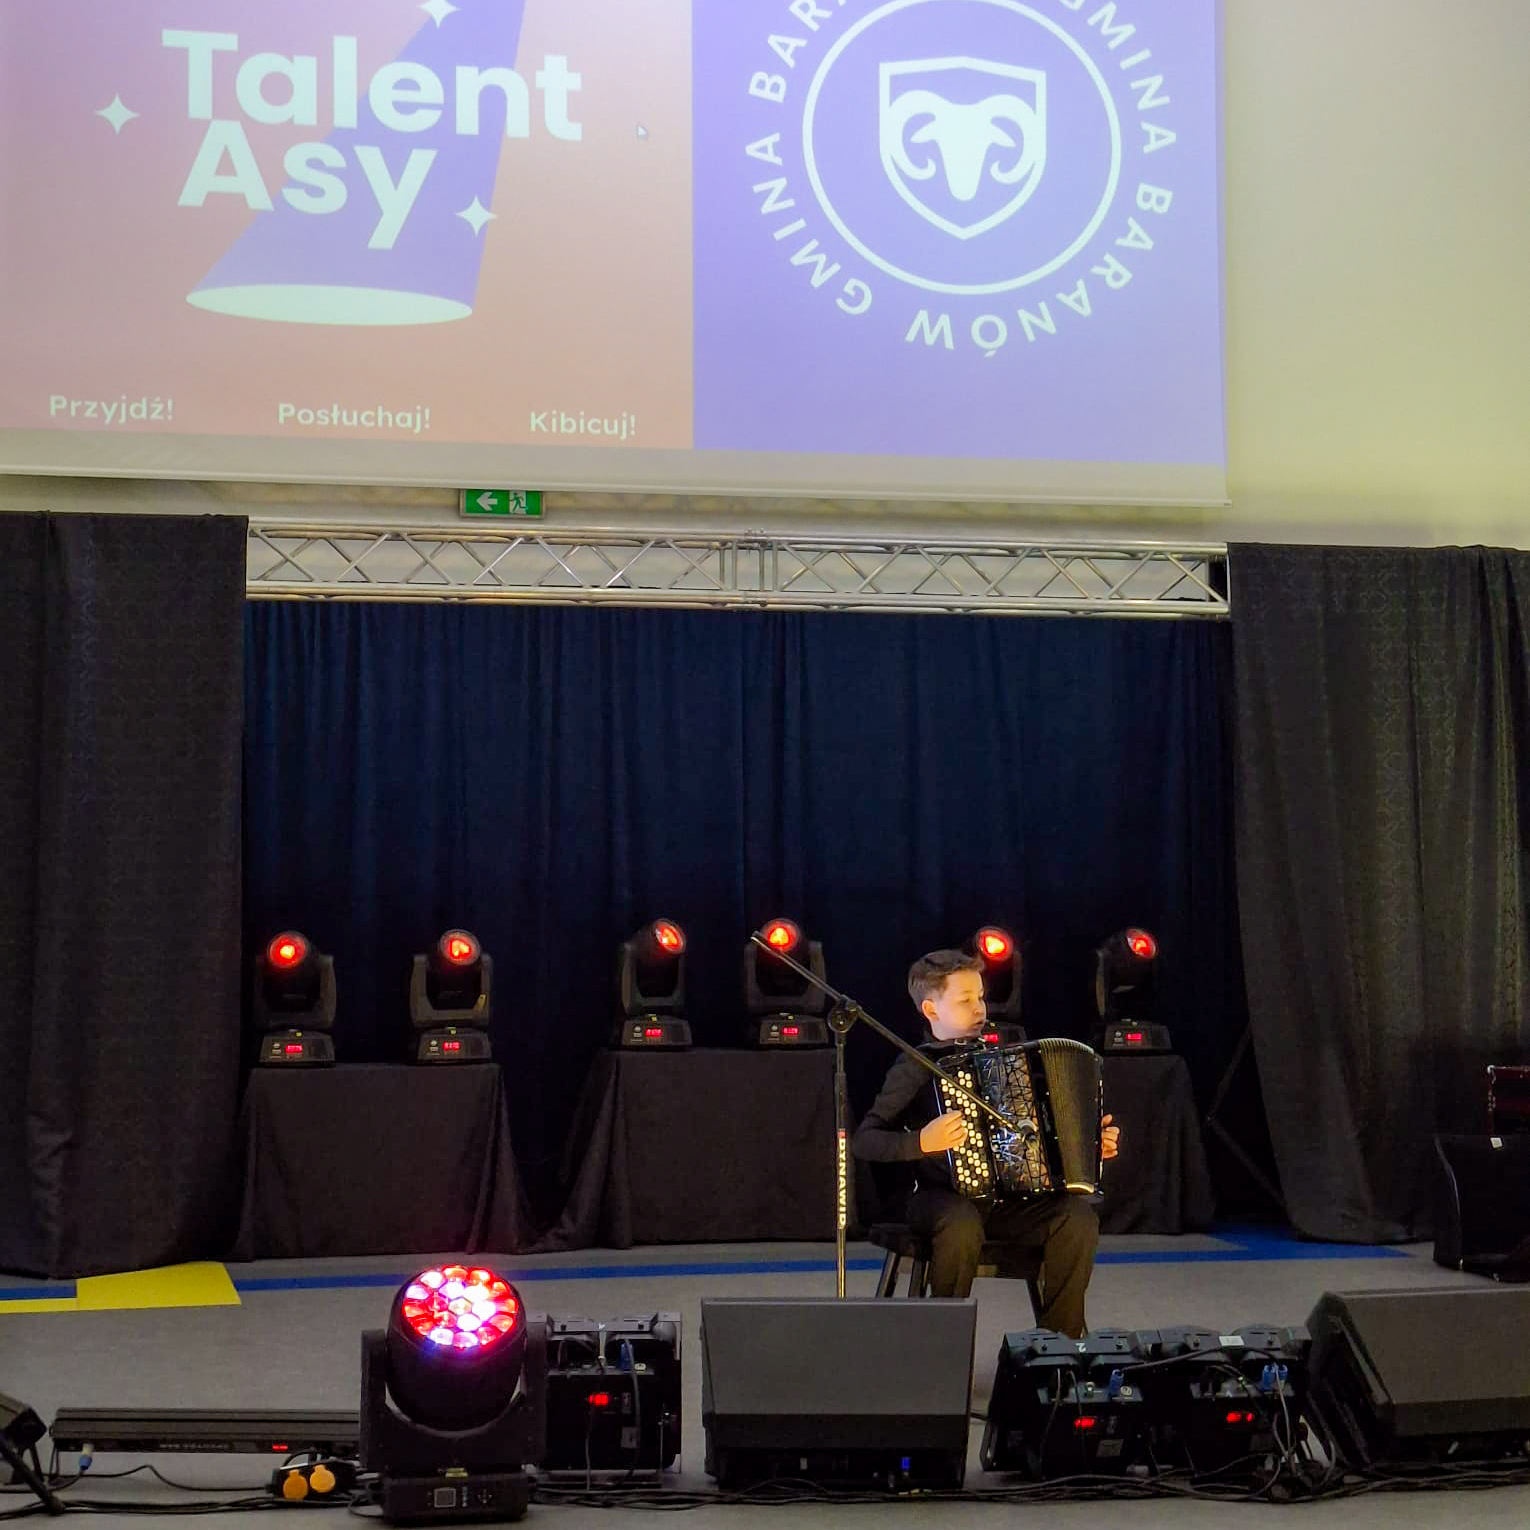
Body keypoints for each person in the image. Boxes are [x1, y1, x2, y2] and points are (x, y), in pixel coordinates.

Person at [852, 949, 1120, 1337]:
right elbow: (865, 1141)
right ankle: (945, 1344)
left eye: (980, 997)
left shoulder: (1003, 1059)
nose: (979, 1008)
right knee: (960, 1224)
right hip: (935, 1198)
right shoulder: (915, 1065)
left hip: (1003, 1202)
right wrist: (921, 1142)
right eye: (965, 1000)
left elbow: (1033, 1137)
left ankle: (1059, 1345)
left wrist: (1089, 1147)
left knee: (1076, 1217)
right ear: (930, 1009)